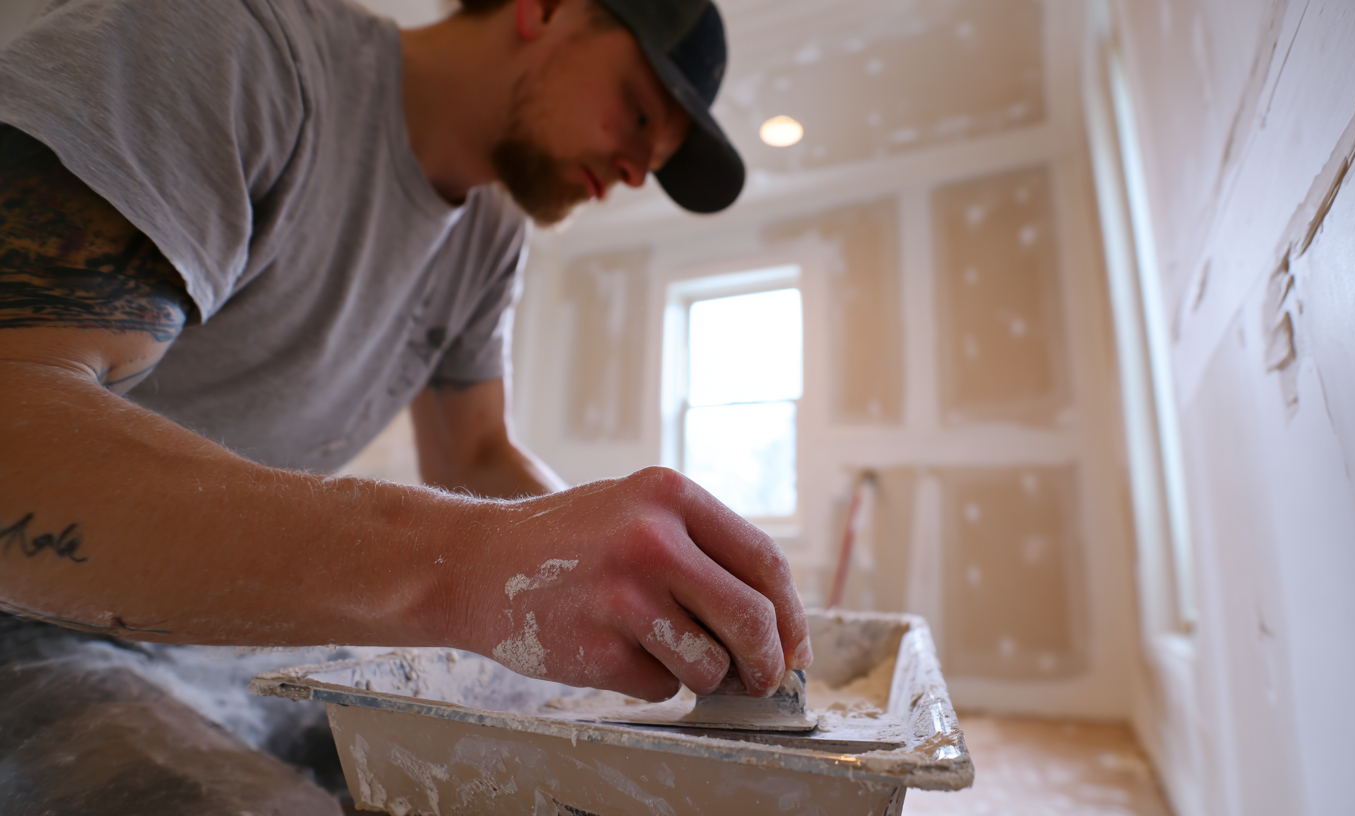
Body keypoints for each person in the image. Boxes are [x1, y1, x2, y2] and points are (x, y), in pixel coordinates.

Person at [0, 0, 810, 808]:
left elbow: (477, 455)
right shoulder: (238, 50)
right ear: (546, 11)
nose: (638, 169)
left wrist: (631, 567)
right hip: (31, 614)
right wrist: (462, 569)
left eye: (657, 159)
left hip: (232, 630)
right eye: (638, 111)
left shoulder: (490, 234)